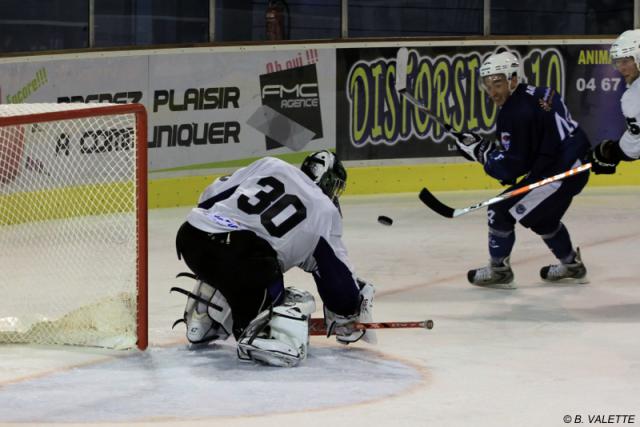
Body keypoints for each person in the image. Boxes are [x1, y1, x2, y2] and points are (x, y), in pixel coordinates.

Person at [172, 151, 375, 367]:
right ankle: (259, 331)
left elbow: (209, 197)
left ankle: (207, 314)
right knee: (291, 297)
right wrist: (351, 307)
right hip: (244, 262)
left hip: (191, 237)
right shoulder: (325, 212)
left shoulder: (271, 165)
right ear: (328, 181)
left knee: (233, 263)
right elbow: (338, 285)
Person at [452, 50, 591, 288]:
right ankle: (572, 265)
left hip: (559, 173)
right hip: (574, 166)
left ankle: (499, 269)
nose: (492, 91)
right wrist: (486, 148)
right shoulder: (539, 92)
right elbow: (528, 148)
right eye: (487, 84)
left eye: (498, 83)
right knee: (542, 219)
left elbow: (509, 169)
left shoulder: (513, 113)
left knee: (499, 210)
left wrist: (479, 152)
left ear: (513, 79)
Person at [588, 29, 640, 174]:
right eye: (618, 62)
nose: (621, 68)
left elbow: (636, 146)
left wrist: (612, 152)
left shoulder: (634, 96)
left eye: (626, 61)